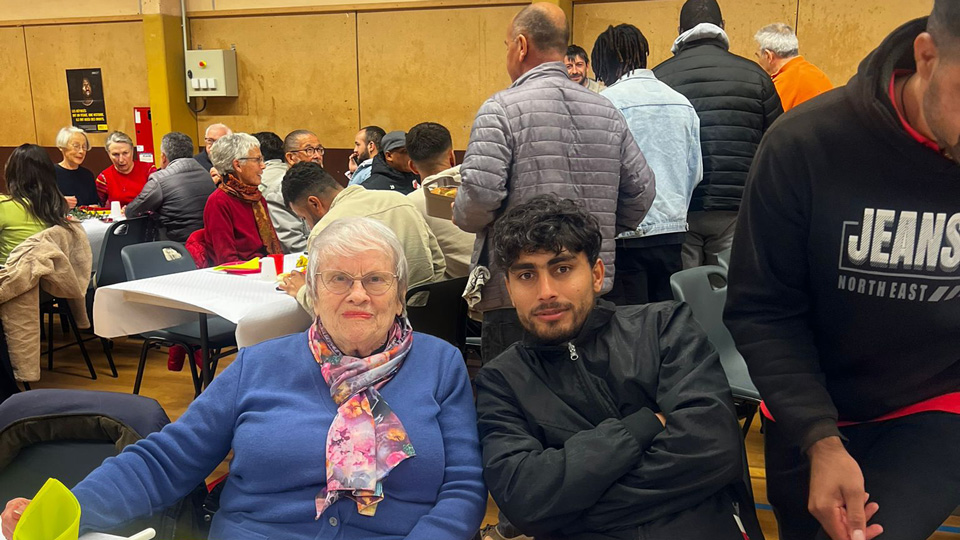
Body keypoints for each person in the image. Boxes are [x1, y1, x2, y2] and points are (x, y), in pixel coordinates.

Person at [1, 217, 487, 540]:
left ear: (400, 295)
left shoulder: (439, 365)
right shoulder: (260, 364)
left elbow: (463, 486)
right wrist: (68, 508)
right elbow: (167, 460)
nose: (358, 294)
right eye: (339, 279)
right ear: (312, 292)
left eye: (376, 280)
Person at [724, 4, 960, 540]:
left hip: (937, 400)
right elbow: (763, 310)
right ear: (927, 57)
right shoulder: (804, 144)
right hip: (809, 401)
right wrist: (820, 438)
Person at [475, 196, 763, 540]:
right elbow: (524, 500)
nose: (546, 292)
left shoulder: (664, 327)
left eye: (562, 269)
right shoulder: (501, 380)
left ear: (597, 275)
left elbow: (713, 450)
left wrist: (567, 512)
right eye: (526, 275)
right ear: (509, 289)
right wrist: (642, 426)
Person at [454, 2, 654, 363]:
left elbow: (478, 200)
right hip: (586, 289)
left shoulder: (500, 110)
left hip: (520, 293)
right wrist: (594, 234)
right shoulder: (606, 111)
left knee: (514, 390)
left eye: (506, 46)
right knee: (590, 388)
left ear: (521, 46)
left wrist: (460, 212)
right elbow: (642, 193)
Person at [653, 0, 782, 269]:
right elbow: (777, 148)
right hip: (736, 208)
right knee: (727, 288)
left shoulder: (659, 78)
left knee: (682, 289)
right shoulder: (756, 77)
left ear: (679, 31)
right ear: (722, 26)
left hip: (679, 209)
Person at [593, 24, 702, 305]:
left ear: (606, 63)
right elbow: (695, 173)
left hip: (626, 237)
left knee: (629, 323)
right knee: (667, 320)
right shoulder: (682, 103)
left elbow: (601, 175)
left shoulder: (605, 103)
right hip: (672, 234)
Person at [279, 162, 445, 312]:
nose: (308, 226)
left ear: (314, 204)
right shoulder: (401, 201)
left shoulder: (324, 231)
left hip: (373, 326)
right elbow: (438, 262)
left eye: (304, 217)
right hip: (427, 315)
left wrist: (301, 290)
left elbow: (325, 306)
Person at [405, 122, 475, 278]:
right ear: (452, 157)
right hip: (506, 280)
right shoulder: (485, 185)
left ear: (412, 167)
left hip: (460, 287)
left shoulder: (411, 204)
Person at [203, 133, 283, 265]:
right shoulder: (219, 202)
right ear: (238, 165)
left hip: (265, 267)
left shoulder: (256, 196)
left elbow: (273, 250)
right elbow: (227, 260)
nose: (263, 166)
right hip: (241, 272)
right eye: (257, 160)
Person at [125, 132, 216, 243]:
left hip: (175, 246)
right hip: (208, 242)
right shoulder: (206, 174)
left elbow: (132, 210)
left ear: (163, 157)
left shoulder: (159, 179)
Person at [0, 144, 70, 265]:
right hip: (50, 273)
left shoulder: (3, 205)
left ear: (11, 173)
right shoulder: (57, 205)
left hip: (11, 273)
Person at [754, 23, 833, 111]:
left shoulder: (781, 85)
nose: (758, 61)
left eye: (758, 56)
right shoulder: (817, 73)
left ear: (768, 56)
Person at [253, 131, 308, 253]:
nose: (317, 156)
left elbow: (296, 245)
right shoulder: (297, 179)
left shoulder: (271, 185)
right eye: (309, 150)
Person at [96, 131, 157, 207]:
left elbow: (158, 200)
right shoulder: (103, 178)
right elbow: (99, 207)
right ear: (108, 154)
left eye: (125, 153)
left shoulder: (149, 170)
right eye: (115, 154)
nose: (121, 160)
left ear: (132, 151)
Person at [53, 127, 98, 208]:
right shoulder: (50, 172)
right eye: (76, 146)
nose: (81, 151)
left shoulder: (87, 175)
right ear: (61, 147)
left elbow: (95, 202)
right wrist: (60, 203)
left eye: (84, 147)